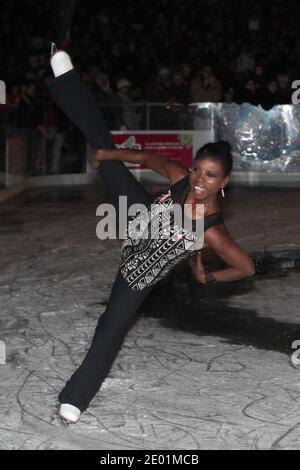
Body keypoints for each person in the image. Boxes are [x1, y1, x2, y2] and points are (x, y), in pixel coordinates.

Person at [49, 50, 255, 425]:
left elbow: (246, 267)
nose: (199, 180)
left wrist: (208, 276)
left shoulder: (213, 231)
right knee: (103, 147)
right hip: (135, 217)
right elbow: (145, 160)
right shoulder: (180, 178)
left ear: (224, 183)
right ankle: (67, 81)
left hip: (138, 273)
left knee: (110, 328)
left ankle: (75, 399)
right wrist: (109, 154)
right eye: (198, 170)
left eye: (210, 176)